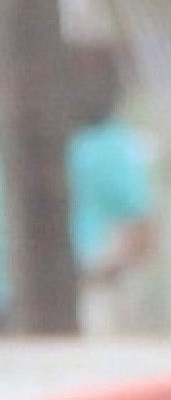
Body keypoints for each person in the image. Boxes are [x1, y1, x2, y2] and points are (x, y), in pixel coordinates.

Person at [0, 42, 155, 332]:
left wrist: (85, 277)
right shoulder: (20, 139)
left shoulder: (111, 145)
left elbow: (140, 238)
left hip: (71, 303)